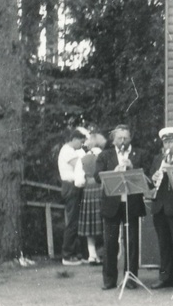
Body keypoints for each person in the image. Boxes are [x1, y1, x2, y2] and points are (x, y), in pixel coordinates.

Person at [96, 124, 147, 290]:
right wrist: (113, 171)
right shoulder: (105, 155)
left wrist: (133, 168)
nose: (123, 141)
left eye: (126, 137)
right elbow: (98, 176)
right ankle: (109, 280)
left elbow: (147, 176)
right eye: (119, 138)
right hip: (112, 203)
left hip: (131, 203)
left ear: (130, 138)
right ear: (113, 139)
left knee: (132, 242)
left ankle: (131, 278)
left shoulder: (139, 154)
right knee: (110, 242)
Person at [150, 127, 173, 290]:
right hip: (160, 206)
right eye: (165, 142)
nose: (168, 145)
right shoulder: (159, 158)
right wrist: (156, 175)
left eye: (171, 141)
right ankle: (166, 276)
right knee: (163, 243)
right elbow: (152, 180)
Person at [57, 126, 89, 264]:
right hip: (70, 186)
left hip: (74, 186)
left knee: (77, 220)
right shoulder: (67, 151)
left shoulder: (71, 150)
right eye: (81, 142)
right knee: (72, 221)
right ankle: (67, 255)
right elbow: (80, 166)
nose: (81, 145)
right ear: (74, 139)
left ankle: (75, 252)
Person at [73, 132, 106, 265]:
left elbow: (78, 182)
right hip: (104, 189)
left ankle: (92, 255)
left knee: (89, 225)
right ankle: (110, 254)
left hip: (88, 190)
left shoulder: (83, 159)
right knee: (106, 223)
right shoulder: (105, 156)